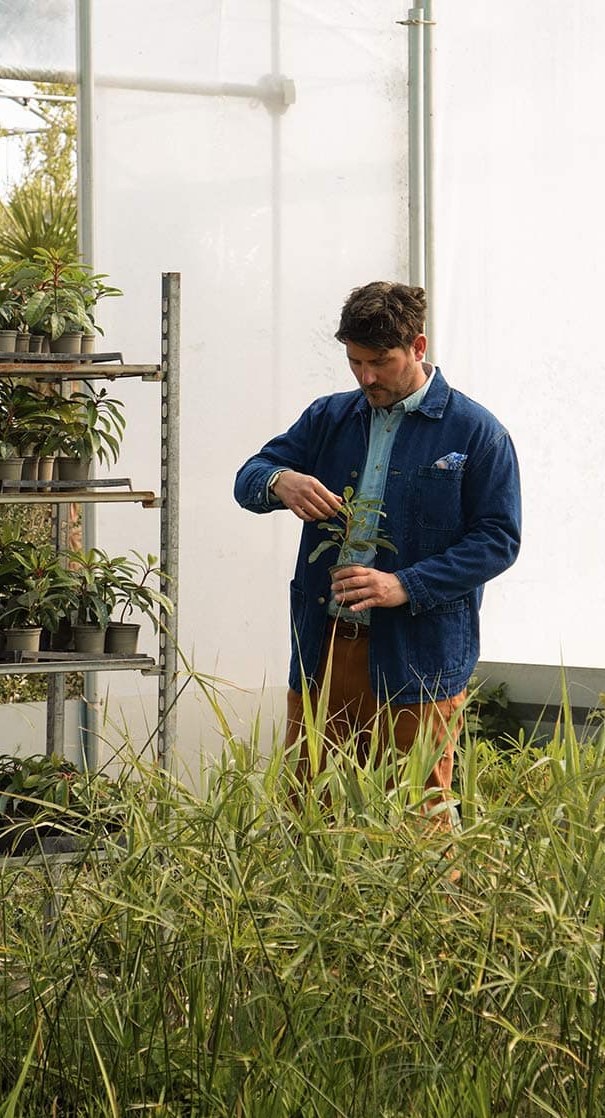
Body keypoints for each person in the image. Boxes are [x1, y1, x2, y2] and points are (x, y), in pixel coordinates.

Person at [232, 281, 521, 818]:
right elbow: (247, 477)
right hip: (325, 645)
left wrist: (403, 585)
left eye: (380, 362)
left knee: (416, 814)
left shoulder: (477, 433)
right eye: (355, 361)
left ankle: (431, 904)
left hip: (419, 654)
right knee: (312, 808)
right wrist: (280, 481)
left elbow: (498, 539)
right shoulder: (329, 418)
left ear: (417, 346)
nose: (366, 377)